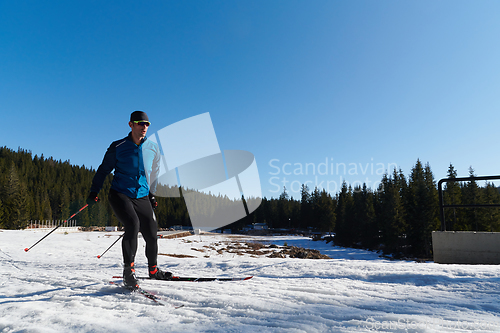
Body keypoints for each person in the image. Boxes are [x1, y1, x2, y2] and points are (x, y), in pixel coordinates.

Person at [86, 110, 171, 289]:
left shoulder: (153, 148)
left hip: (142, 195)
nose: (144, 127)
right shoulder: (118, 146)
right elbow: (103, 170)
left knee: (151, 232)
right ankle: (128, 272)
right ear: (131, 124)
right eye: (140, 123)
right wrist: (94, 191)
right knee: (133, 224)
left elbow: (154, 172)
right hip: (120, 193)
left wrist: (152, 193)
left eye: (147, 124)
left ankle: (153, 271)